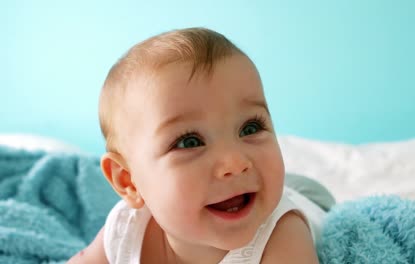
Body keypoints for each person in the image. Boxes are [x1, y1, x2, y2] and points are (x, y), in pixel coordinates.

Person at [68, 27, 325, 264]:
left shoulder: (283, 235)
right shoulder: (126, 230)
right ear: (129, 181)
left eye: (250, 128)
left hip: (307, 196)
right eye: (189, 142)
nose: (235, 162)